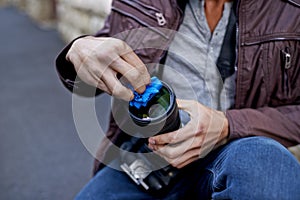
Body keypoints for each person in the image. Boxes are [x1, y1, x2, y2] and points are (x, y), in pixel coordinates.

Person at [56, 0, 300, 199]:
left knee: (266, 163)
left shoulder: (291, 9)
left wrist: (229, 125)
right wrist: (79, 51)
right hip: (143, 158)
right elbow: (99, 63)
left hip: (234, 154)